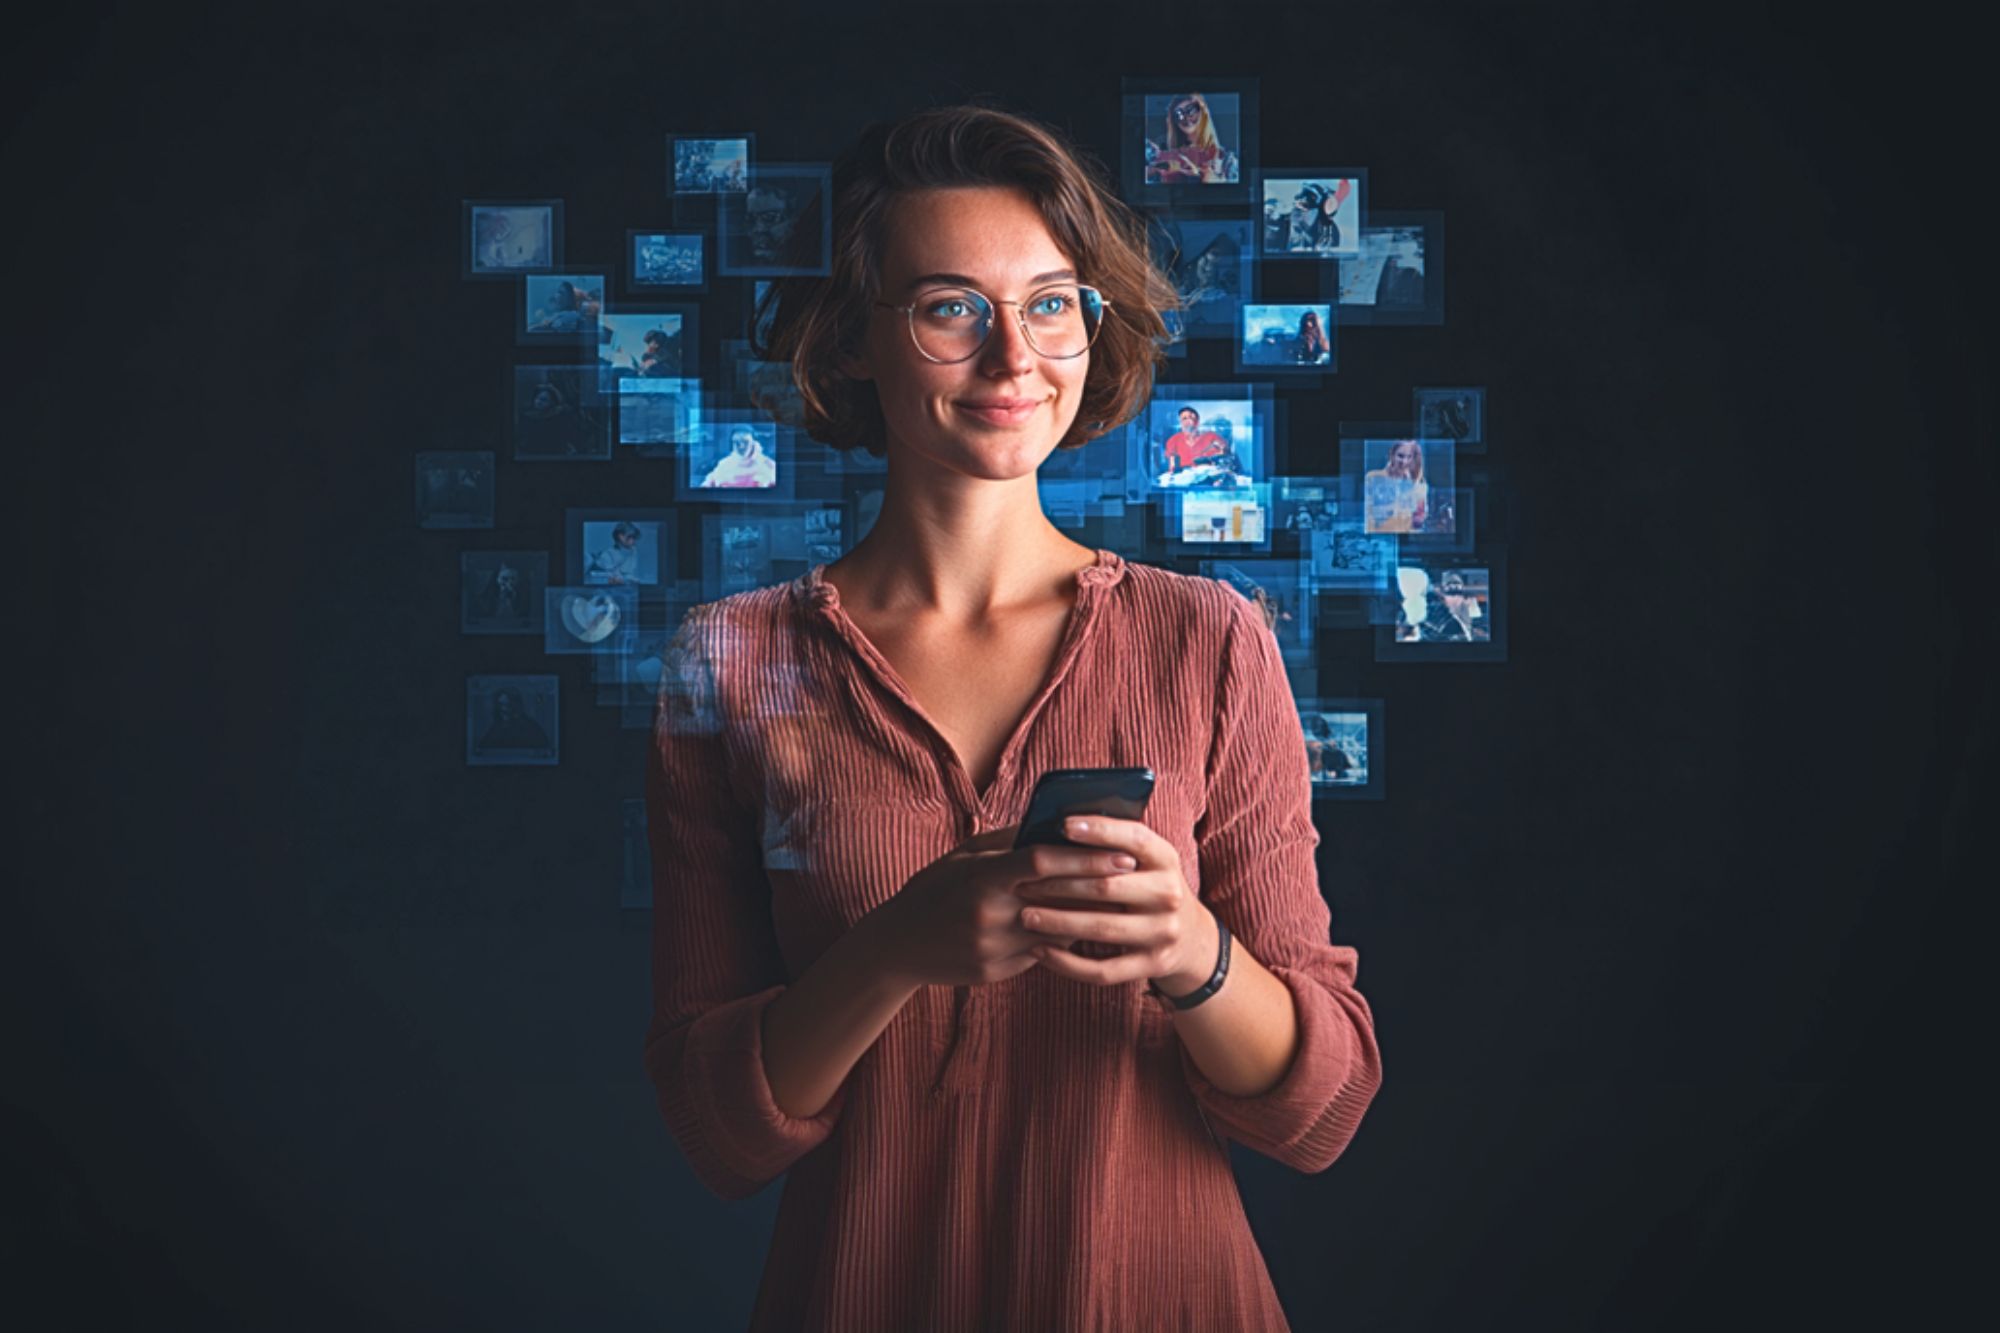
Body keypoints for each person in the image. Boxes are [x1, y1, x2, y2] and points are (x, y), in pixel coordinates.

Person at [645, 104, 1381, 1331]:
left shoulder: (1208, 641)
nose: (1012, 359)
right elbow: (717, 1132)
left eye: (1049, 305)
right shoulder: (728, 662)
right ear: (851, 337)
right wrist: (891, 949)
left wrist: (1192, 954)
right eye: (950, 308)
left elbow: (1322, 1110)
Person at [1143, 92, 1239, 185]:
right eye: (1179, 115)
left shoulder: (1227, 162)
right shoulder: (1163, 159)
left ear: (1203, 111)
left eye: (1191, 110)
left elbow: (1239, 192)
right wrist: (1154, 171)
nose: (1186, 118)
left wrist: (1216, 182)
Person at [1364, 438, 1429, 533]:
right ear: (1392, 455)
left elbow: (1419, 519)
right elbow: (1371, 514)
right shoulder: (1373, 477)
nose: (1404, 462)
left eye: (1409, 457)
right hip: (1380, 536)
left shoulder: (1418, 483)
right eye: (1400, 456)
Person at [698, 427, 778, 488]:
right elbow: (706, 486)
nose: (741, 446)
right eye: (736, 442)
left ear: (754, 443)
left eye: (745, 442)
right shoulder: (724, 464)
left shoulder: (768, 465)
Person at [1160, 404, 1225, 471]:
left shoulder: (1212, 437)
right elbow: (1172, 466)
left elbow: (1223, 455)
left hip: (1210, 474)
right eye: (1184, 418)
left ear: (1197, 422)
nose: (1188, 421)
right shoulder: (1173, 440)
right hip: (1185, 475)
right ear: (1180, 422)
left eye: (1191, 418)